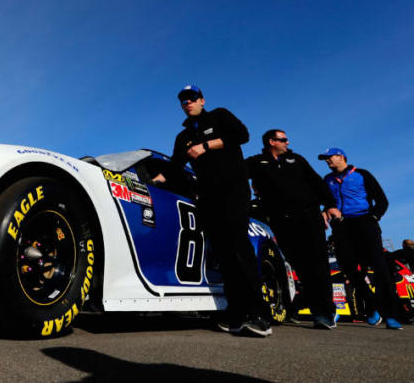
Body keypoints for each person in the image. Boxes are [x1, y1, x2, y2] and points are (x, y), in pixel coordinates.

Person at [155, 85, 271, 337]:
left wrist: (206, 146)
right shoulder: (182, 136)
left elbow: (242, 135)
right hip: (207, 199)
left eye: (192, 98)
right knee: (224, 256)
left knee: (240, 249)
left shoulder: (219, 116)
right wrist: (156, 180)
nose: (188, 102)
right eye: (184, 100)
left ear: (202, 100)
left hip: (233, 192)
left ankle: (259, 313)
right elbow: (175, 166)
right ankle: (237, 313)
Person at [246, 130, 341, 329]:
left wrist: (330, 205)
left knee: (319, 264)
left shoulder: (297, 159)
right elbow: (234, 173)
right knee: (301, 267)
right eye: (283, 139)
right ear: (272, 142)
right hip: (282, 221)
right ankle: (314, 307)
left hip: (309, 216)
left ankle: (325, 313)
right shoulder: (257, 162)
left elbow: (317, 183)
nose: (287, 142)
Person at [319, 148, 402, 329]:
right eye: (325, 159)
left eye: (329, 157)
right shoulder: (327, 180)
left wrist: (373, 217)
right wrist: (326, 211)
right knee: (348, 268)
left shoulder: (362, 174)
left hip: (364, 222)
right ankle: (373, 307)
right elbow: (327, 202)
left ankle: (391, 315)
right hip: (341, 226)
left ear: (341, 157)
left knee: (379, 267)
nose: (327, 161)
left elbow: (382, 200)